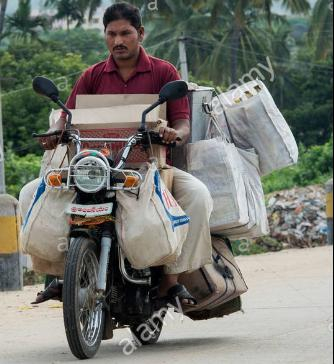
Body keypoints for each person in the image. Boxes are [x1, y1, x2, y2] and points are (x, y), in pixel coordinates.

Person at [33, 2, 213, 307]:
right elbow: (68, 116)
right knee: (31, 193)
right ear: (104, 36)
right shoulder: (92, 76)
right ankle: (59, 274)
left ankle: (170, 281)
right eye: (111, 34)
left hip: (151, 167)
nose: (118, 41)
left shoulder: (163, 71)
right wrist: (56, 133)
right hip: (94, 170)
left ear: (140, 34)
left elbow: (182, 121)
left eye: (126, 33)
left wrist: (175, 133)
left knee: (197, 195)